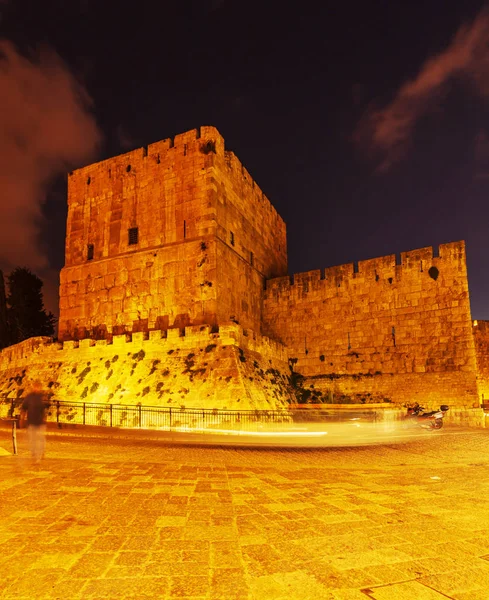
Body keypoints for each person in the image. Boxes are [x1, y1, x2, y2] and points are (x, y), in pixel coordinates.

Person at [21, 381, 48, 463]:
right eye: (35, 386)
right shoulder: (29, 397)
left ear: (40, 387)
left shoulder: (43, 397)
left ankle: (39, 455)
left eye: (38, 387)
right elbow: (24, 408)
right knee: (32, 439)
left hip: (40, 422)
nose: (36, 388)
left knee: (40, 439)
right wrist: (21, 419)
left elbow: (46, 409)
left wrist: (45, 419)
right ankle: (34, 453)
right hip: (31, 422)